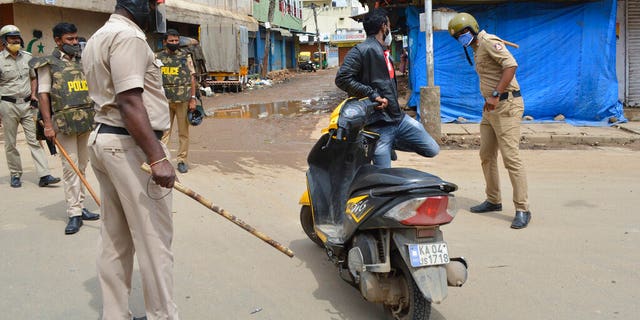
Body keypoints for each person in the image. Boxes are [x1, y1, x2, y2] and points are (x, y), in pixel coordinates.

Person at [82, 0, 178, 319]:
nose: (155, 11)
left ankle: (115, 313)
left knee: (114, 238)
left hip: (105, 140)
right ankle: (162, 315)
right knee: (154, 243)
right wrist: (157, 157)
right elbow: (129, 100)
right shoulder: (129, 38)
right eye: (153, 4)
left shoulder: (98, 37)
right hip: (128, 146)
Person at [448, 12, 531, 229]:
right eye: (458, 36)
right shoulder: (476, 47)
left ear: (473, 29)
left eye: (463, 33)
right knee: (486, 154)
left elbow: (511, 65)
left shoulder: (488, 42)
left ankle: (522, 209)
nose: (461, 38)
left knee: (511, 158)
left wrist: (495, 94)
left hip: (506, 105)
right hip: (490, 109)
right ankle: (493, 199)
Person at [335, 8, 439, 168]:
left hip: (398, 118)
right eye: (389, 24)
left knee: (431, 148)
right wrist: (372, 95)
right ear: (384, 26)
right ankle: (376, 144)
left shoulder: (385, 52)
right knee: (383, 177)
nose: (389, 28)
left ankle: (390, 143)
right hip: (378, 125)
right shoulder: (361, 50)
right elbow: (342, 78)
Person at [31, 22, 100, 235]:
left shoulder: (82, 60)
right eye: (69, 39)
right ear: (58, 40)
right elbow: (43, 95)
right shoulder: (48, 63)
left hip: (85, 120)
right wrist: (48, 125)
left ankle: (80, 205)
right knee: (70, 169)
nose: (74, 43)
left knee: (81, 166)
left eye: (75, 38)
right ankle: (74, 213)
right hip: (63, 123)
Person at [0, 24, 60, 188]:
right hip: (7, 105)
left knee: (35, 140)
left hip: (27, 104)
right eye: (12, 39)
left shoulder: (27, 57)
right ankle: (15, 174)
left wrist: (33, 94)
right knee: (11, 143)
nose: (16, 41)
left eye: (17, 38)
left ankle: (44, 175)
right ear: (4, 41)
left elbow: (33, 78)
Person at [156, 28, 197, 174]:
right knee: (163, 133)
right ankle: (162, 160)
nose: (174, 43)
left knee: (183, 133)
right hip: (164, 101)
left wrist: (193, 98)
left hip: (183, 100)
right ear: (164, 42)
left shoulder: (185, 56)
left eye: (176, 41)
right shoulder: (158, 57)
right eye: (171, 41)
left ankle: (182, 160)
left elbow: (192, 77)